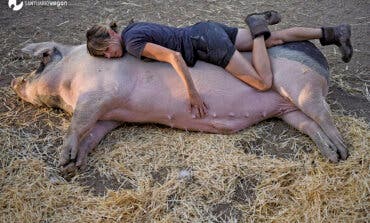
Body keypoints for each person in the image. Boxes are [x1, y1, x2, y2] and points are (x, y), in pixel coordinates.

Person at [86, 11, 352, 118]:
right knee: (276, 39)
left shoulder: (132, 44)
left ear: (111, 36)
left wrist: (192, 93)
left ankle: (258, 26)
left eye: (105, 51)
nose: (109, 57)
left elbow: (174, 57)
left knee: (262, 82)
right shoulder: (134, 28)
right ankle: (333, 32)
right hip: (206, 28)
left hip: (204, 43)